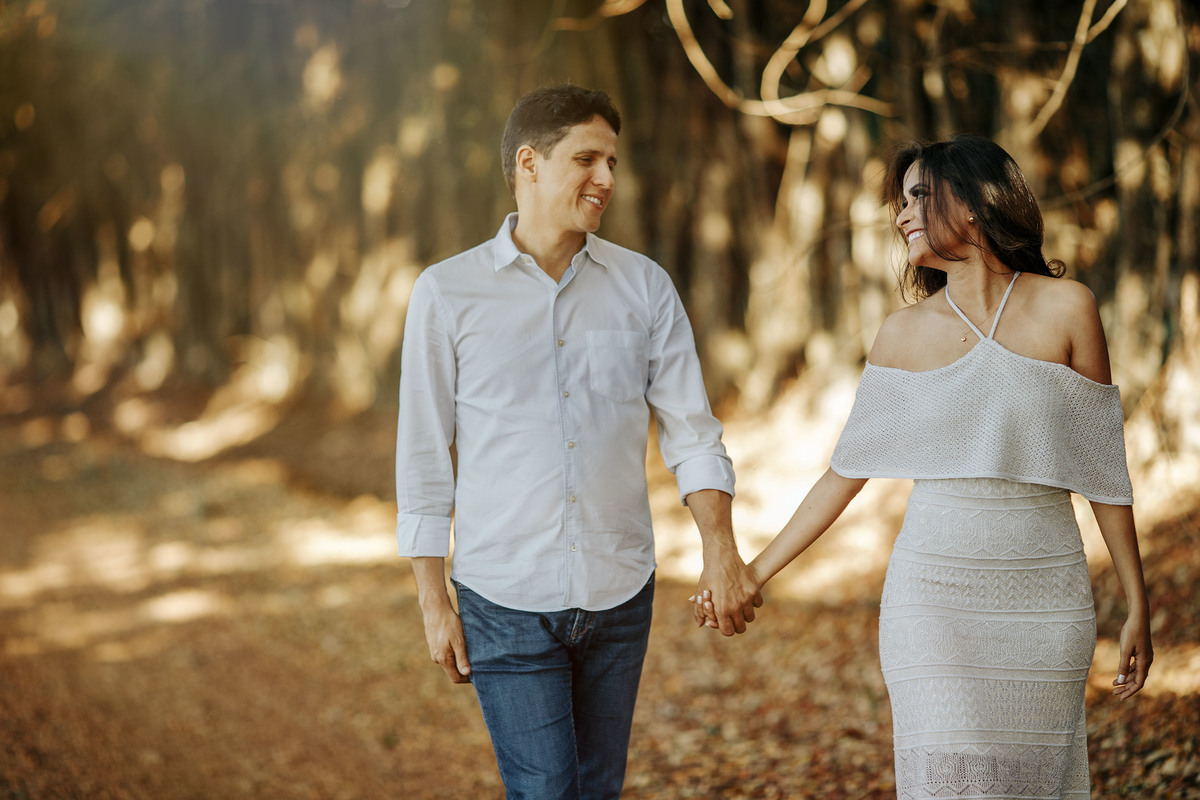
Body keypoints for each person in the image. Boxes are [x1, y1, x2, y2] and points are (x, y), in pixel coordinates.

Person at [695, 134, 1152, 799]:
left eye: (918, 196)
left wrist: (1138, 601)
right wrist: (752, 574)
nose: (902, 214)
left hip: (1045, 596)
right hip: (932, 599)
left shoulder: (1068, 308)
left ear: (971, 203)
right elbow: (845, 473)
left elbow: (1103, 469)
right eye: (899, 203)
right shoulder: (901, 335)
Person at [396, 84, 761, 800]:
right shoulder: (447, 294)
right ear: (529, 164)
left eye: (614, 163)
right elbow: (423, 454)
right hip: (502, 595)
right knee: (546, 793)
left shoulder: (645, 288)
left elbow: (692, 431)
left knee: (597, 789)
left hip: (620, 590)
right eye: (588, 159)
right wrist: (433, 600)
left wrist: (721, 548)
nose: (608, 180)